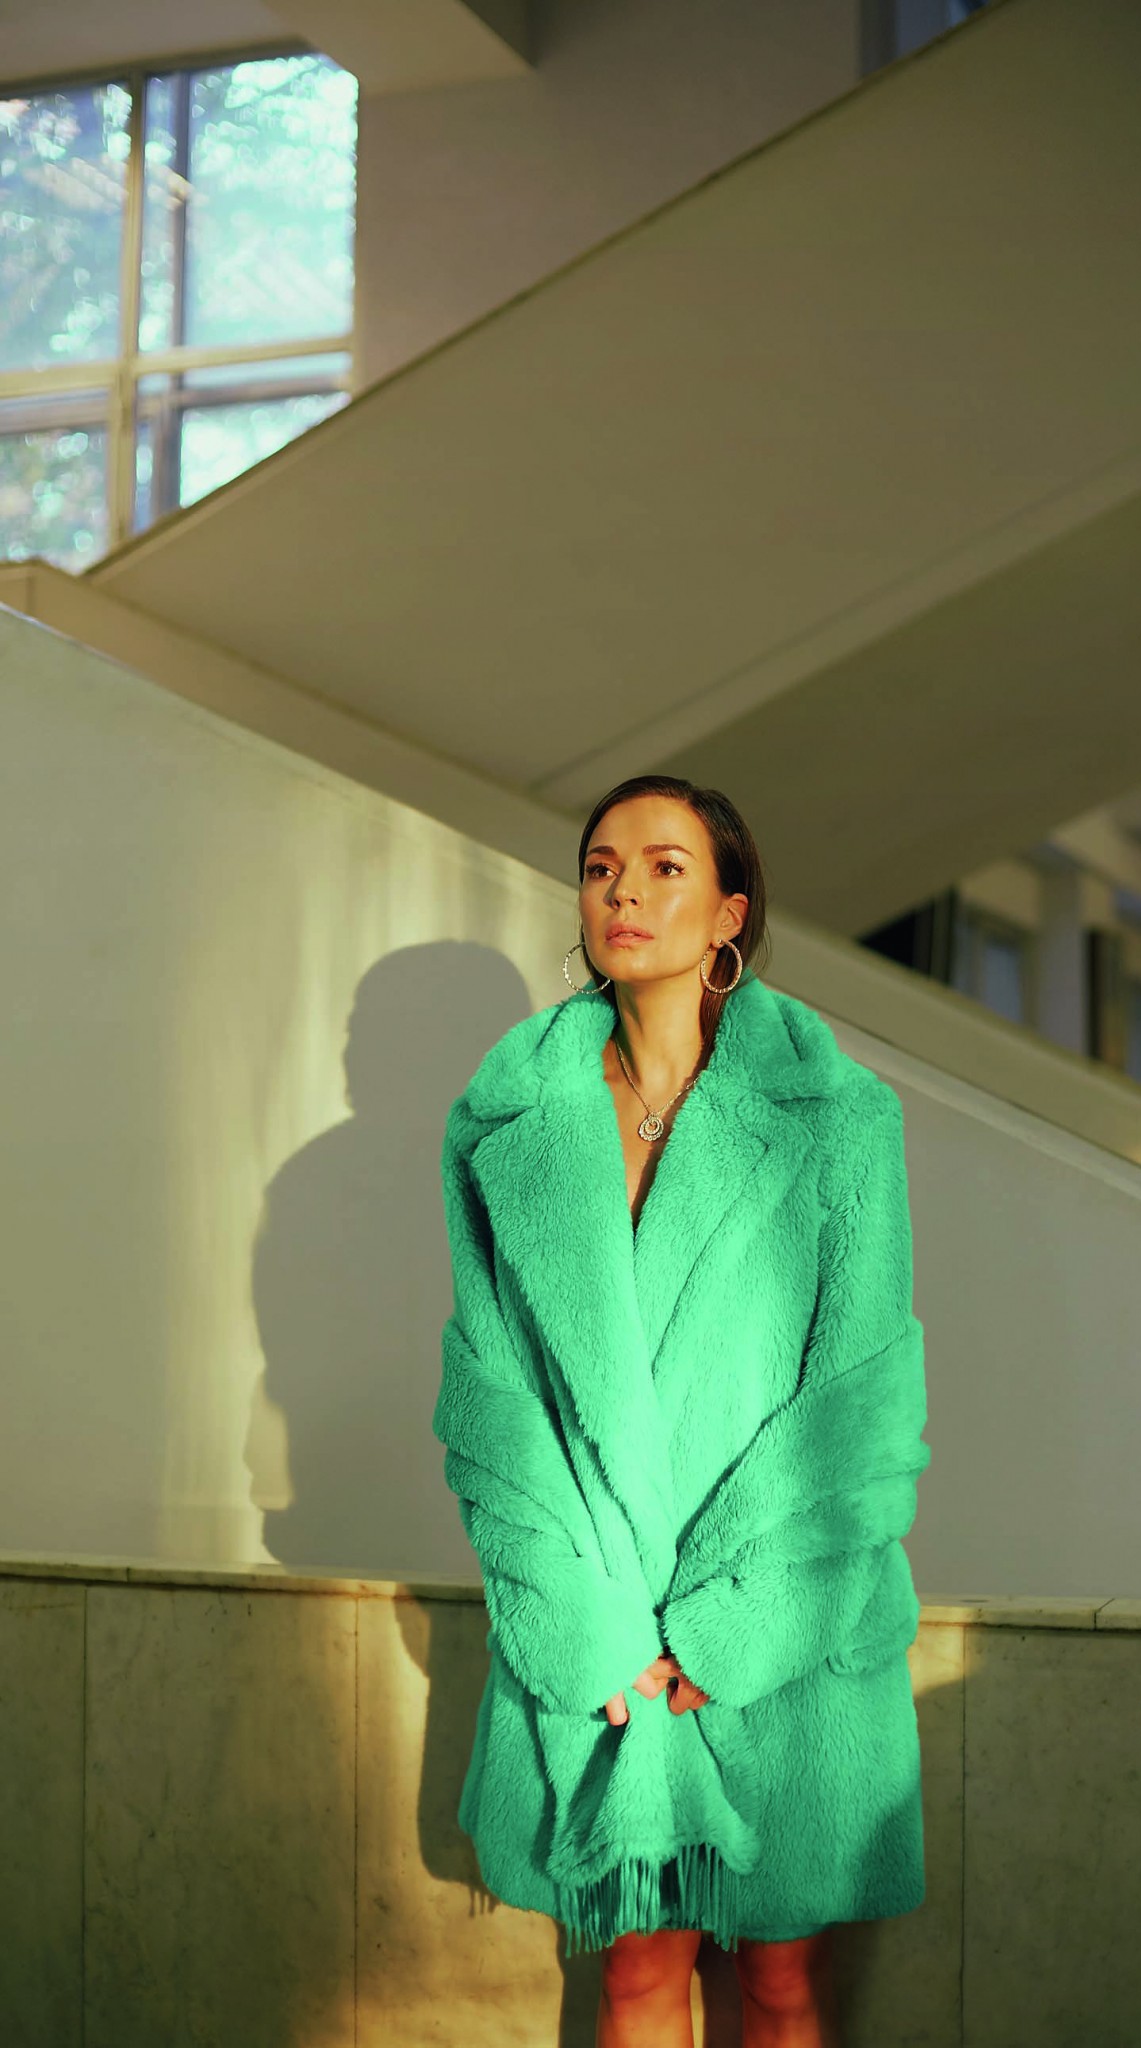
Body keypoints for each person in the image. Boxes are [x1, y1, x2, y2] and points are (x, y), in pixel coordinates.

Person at [435, 774, 932, 2048]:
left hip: (785, 1622)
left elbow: (862, 1402)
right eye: (602, 866)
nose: (625, 891)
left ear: (728, 912)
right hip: (602, 1629)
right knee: (636, 1981)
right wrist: (590, 1628)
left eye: (665, 866)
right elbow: (491, 1399)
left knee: (779, 1983)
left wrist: (734, 1631)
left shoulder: (839, 1121)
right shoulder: (509, 1121)